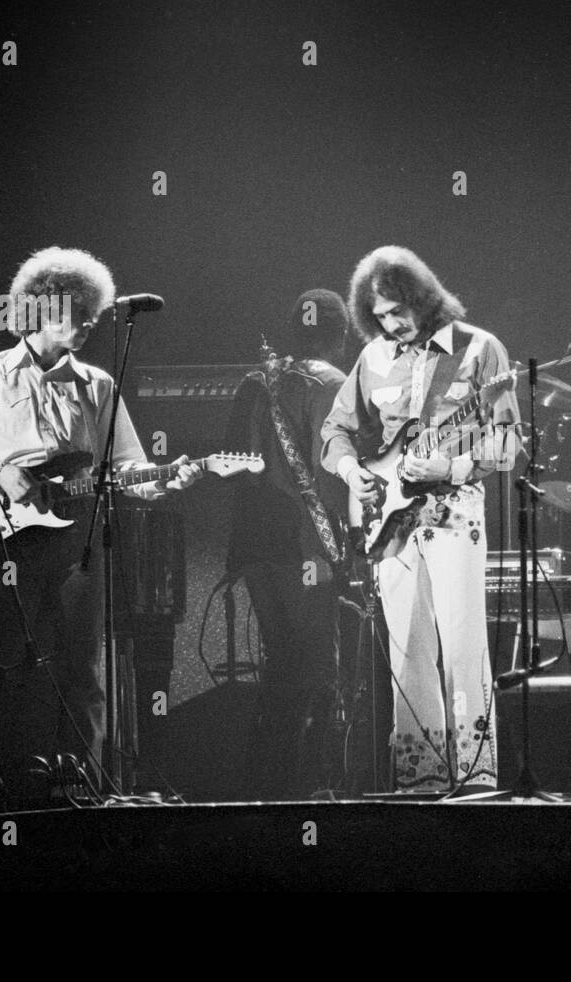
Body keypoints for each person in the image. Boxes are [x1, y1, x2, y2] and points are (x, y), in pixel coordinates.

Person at [0, 246, 201, 798]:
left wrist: (167, 478)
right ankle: (10, 788)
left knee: (84, 667)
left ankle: (83, 786)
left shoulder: (99, 385)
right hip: (11, 543)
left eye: (90, 314)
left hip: (79, 542)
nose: (84, 325)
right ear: (35, 310)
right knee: (9, 666)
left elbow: (127, 467)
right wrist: (2, 473)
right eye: (71, 313)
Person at [320, 245, 519, 792]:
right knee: (407, 648)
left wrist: (451, 464)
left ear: (423, 298)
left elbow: (508, 441)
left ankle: (477, 776)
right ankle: (421, 779)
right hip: (390, 516)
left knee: (462, 643)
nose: (391, 323)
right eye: (379, 315)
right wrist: (349, 470)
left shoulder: (479, 349)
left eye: (398, 310)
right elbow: (335, 430)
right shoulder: (374, 358)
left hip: (455, 509)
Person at [223, 289, 349, 799]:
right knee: (320, 665)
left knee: (280, 664)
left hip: (255, 546)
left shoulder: (252, 383)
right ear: (341, 336)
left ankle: (266, 790)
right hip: (306, 548)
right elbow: (332, 473)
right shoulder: (332, 382)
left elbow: (231, 467)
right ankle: (318, 788)